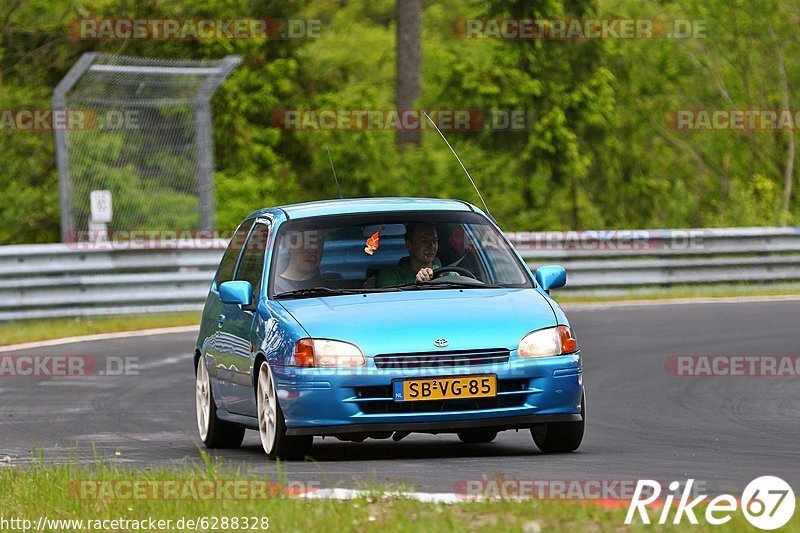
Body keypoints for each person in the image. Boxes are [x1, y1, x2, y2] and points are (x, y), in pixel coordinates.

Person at [274, 230, 326, 294]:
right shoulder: (272, 289)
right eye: (307, 248)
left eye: (318, 248)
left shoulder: (332, 289)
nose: (313, 256)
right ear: (290, 246)